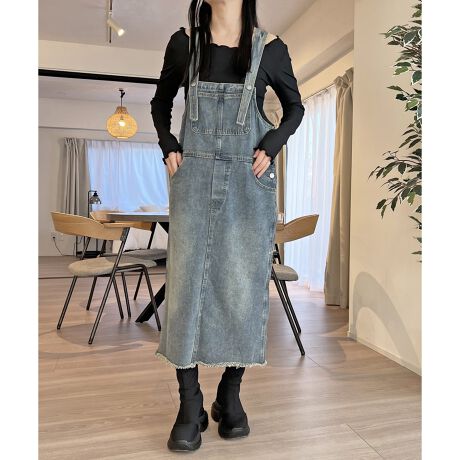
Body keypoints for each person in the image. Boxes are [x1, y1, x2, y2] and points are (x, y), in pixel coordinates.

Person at [150, 0, 304, 451]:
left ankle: (230, 393)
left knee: (242, 284)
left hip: (248, 180)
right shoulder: (184, 44)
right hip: (193, 179)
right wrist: (169, 144)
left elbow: (295, 109)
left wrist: (271, 143)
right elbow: (160, 102)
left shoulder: (270, 49)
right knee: (184, 288)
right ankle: (189, 403)